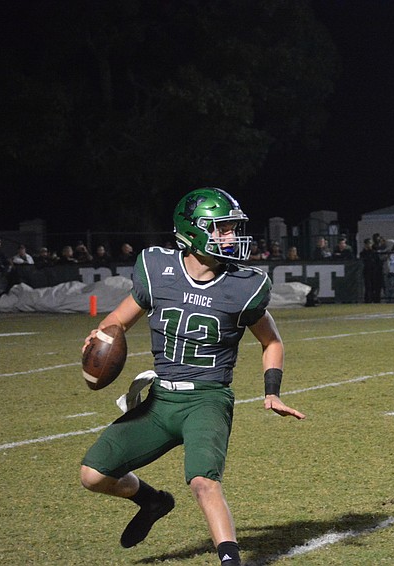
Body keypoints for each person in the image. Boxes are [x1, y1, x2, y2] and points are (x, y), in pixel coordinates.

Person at [79, 188, 305, 566]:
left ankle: (230, 560)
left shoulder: (242, 286)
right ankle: (152, 501)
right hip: (161, 399)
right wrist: (100, 336)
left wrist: (272, 390)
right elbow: (118, 320)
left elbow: (272, 341)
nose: (232, 237)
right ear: (194, 231)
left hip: (207, 399)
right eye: (223, 229)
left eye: (233, 228)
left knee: (203, 481)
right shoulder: (158, 270)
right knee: (92, 475)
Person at [360, 238, 383, 303]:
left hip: (375, 272)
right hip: (367, 272)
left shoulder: (374, 252)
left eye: (370, 243)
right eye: (368, 243)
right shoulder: (363, 253)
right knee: (368, 287)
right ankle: (368, 300)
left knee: (375, 286)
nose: (369, 245)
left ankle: (376, 300)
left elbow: (378, 262)